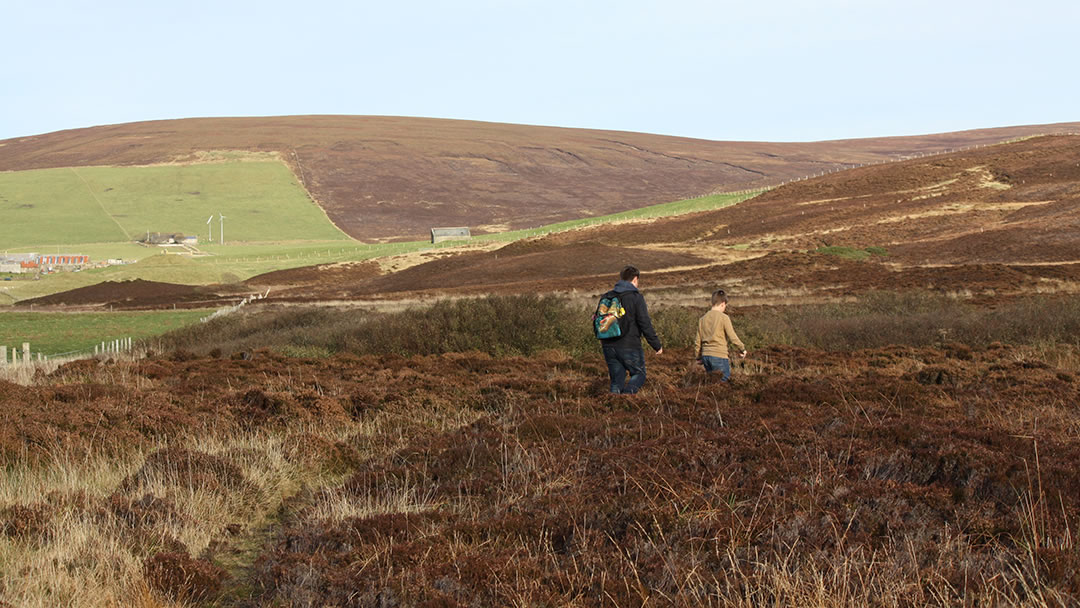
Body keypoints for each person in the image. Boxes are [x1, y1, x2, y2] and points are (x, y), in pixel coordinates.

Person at [599, 266, 663, 394]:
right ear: (635, 279)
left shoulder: (607, 296)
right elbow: (645, 323)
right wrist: (656, 345)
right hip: (629, 345)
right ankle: (626, 398)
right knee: (639, 374)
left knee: (616, 381)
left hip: (608, 344)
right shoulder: (636, 297)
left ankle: (614, 409)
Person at [694, 289, 747, 381]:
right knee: (723, 382)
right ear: (723, 303)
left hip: (706, 356)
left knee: (711, 383)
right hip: (719, 355)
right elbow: (732, 337)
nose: (725, 308)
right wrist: (742, 348)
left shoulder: (702, 319)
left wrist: (698, 356)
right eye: (725, 306)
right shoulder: (724, 318)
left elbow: (698, 340)